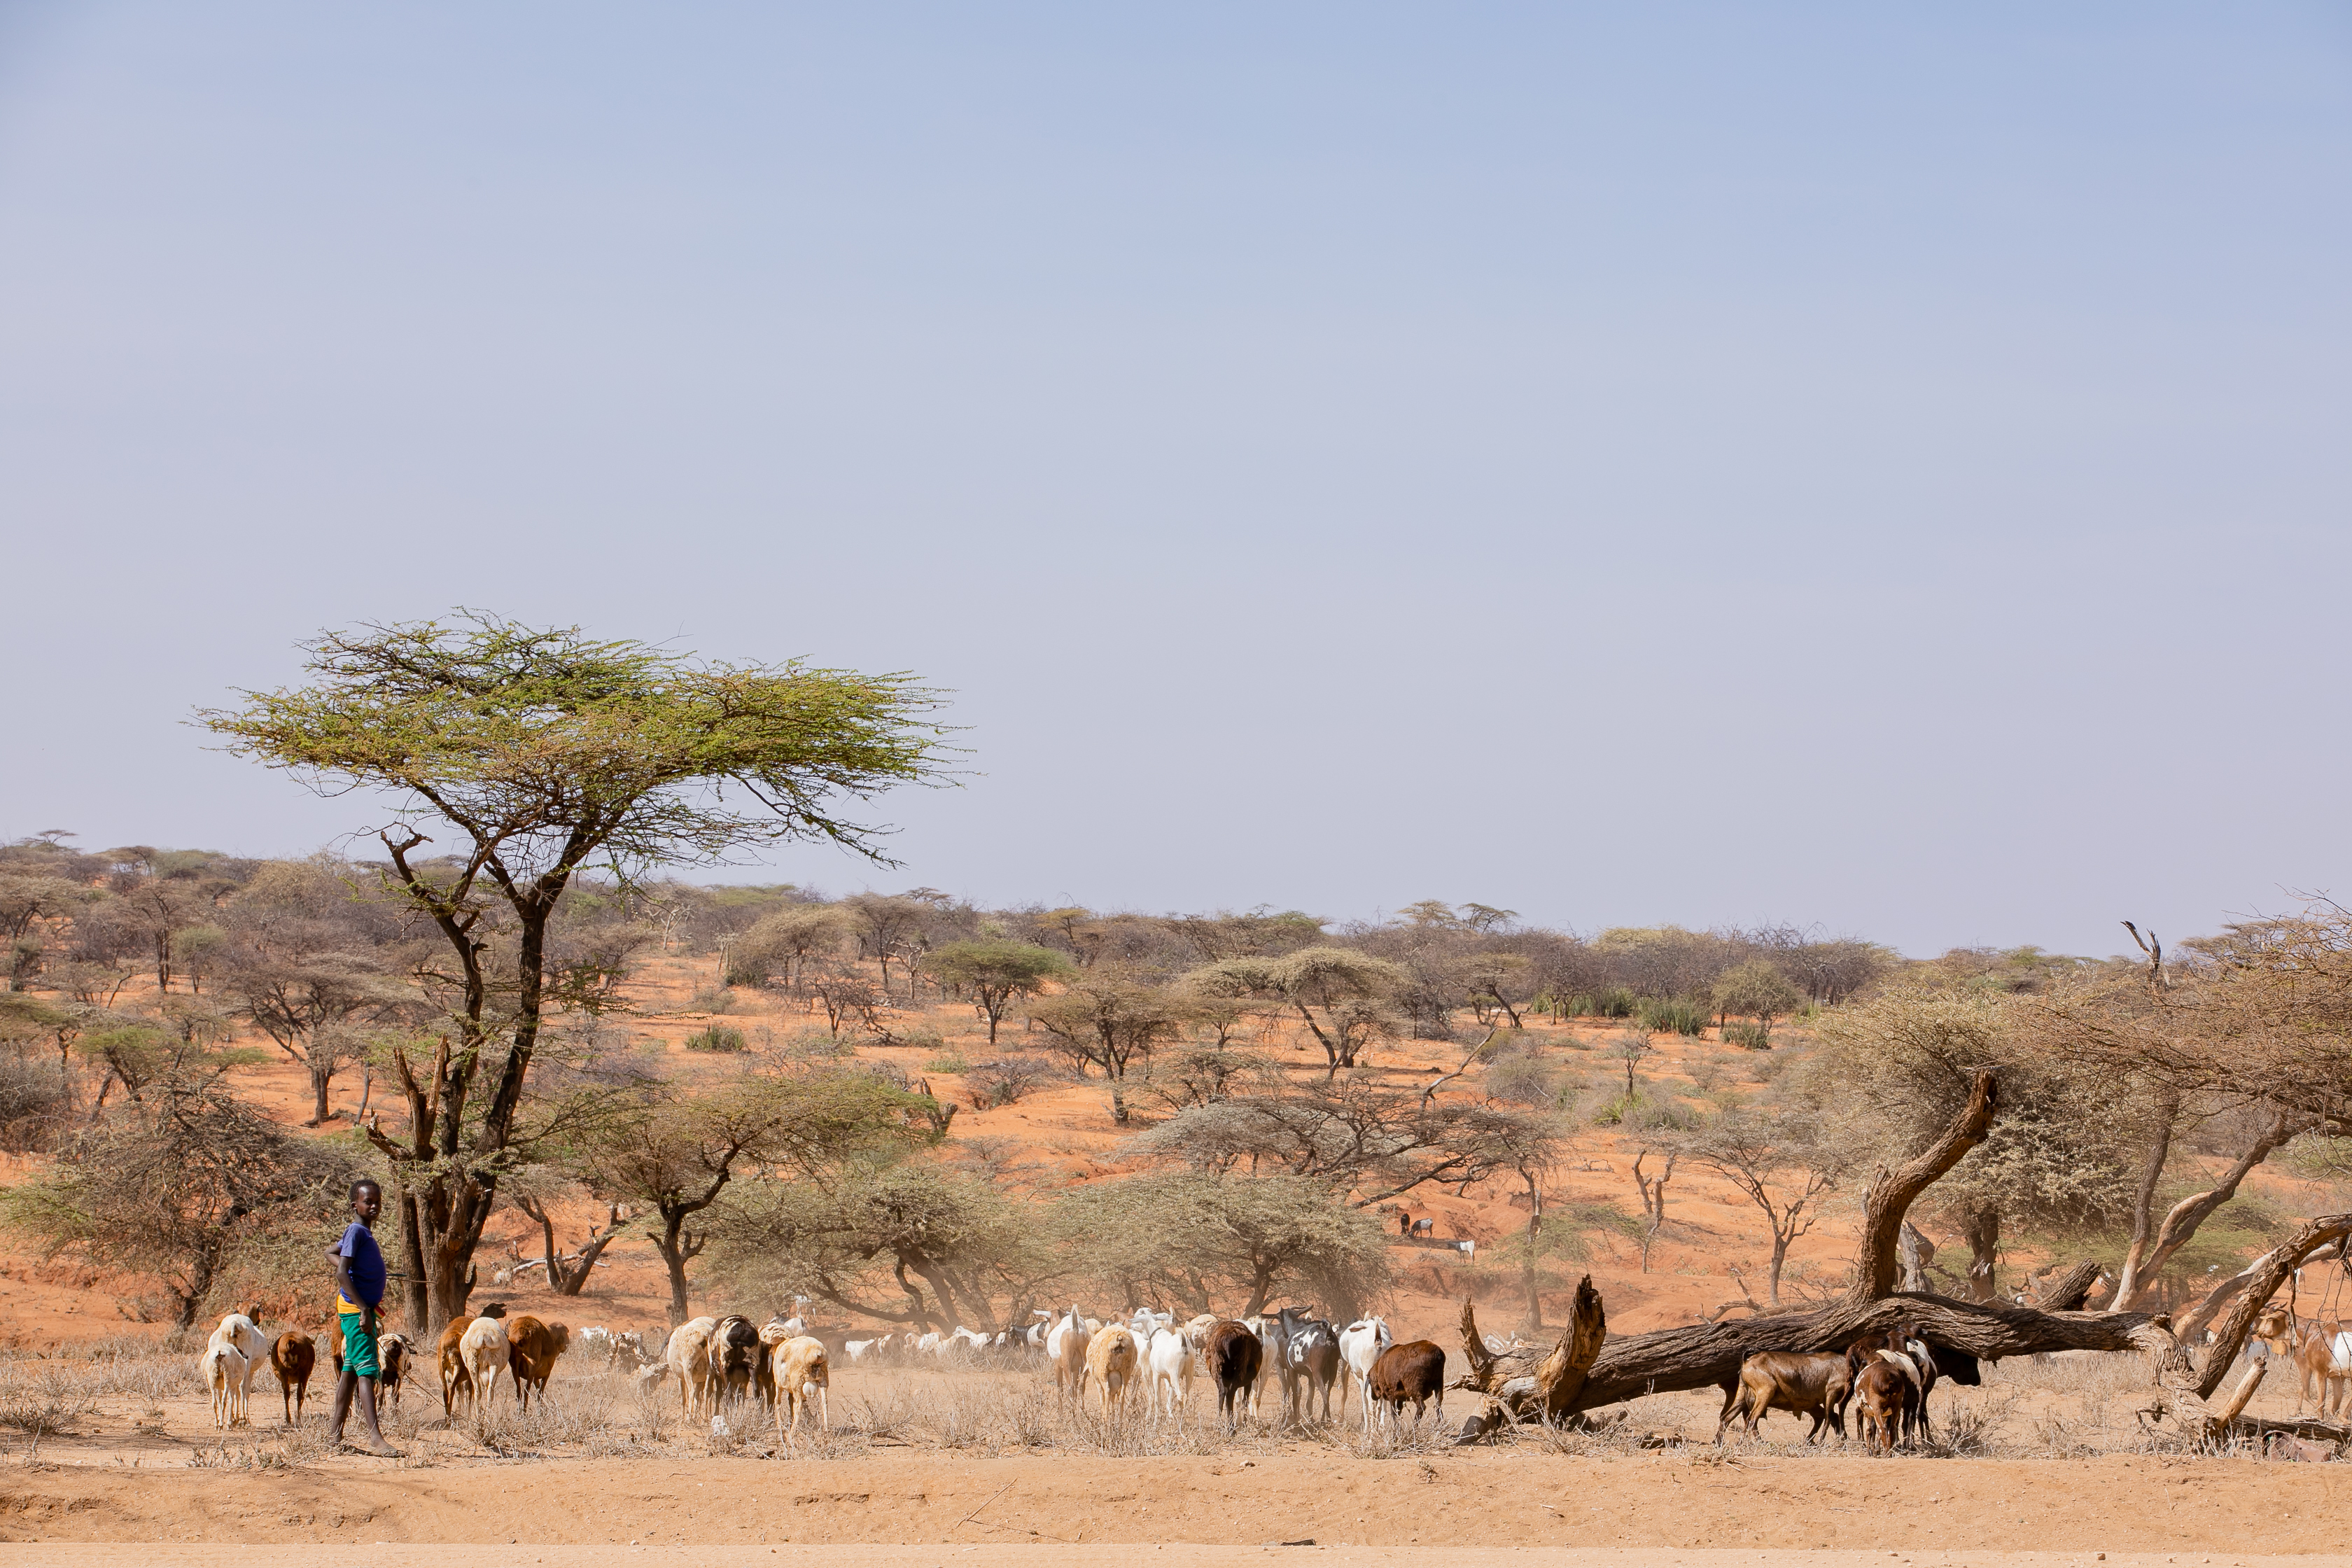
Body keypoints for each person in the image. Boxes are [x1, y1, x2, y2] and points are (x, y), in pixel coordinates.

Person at [326, 1177, 400, 1455]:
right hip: (357, 1312)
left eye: (378, 1201)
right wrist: (364, 1309)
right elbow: (341, 1272)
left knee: (350, 1373)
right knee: (368, 1369)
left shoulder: (360, 1233)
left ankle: (334, 1435)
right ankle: (376, 1439)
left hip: (358, 1309)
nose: (374, 1206)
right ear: (354, 1204)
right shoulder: (356, 1231)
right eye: (368, 1201)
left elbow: (329, 1253)